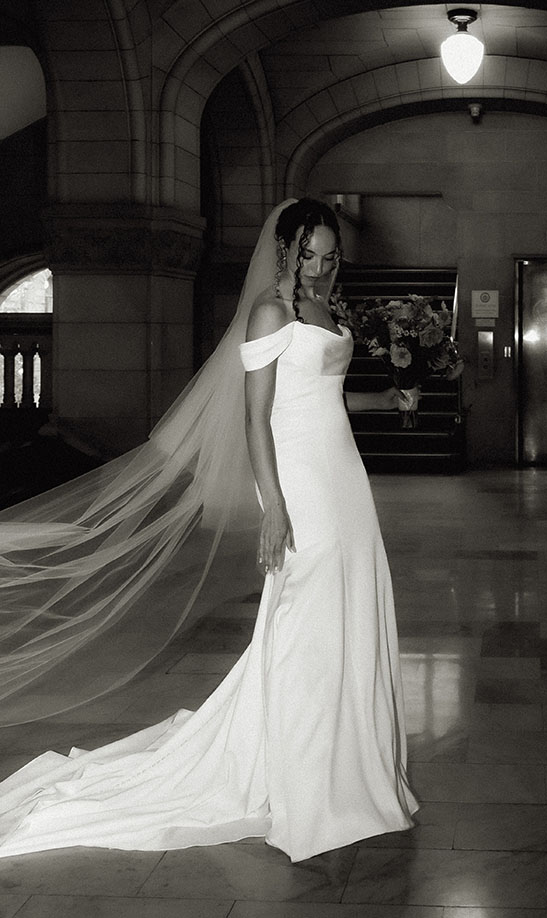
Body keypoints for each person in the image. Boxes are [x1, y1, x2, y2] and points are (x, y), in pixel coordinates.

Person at [0, 198, 418, 862]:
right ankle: (307, 785)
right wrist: (274, 506)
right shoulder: (270, 313)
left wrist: (388, 399)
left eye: (330, 256)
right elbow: (258, 420)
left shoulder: (326, 312)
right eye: (308, 254)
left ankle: (351, 765)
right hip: (298, 481)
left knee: (349, 608)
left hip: (345, 480)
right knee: (303, 618)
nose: (319, 267)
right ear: (283, 252)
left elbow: (328, 397)